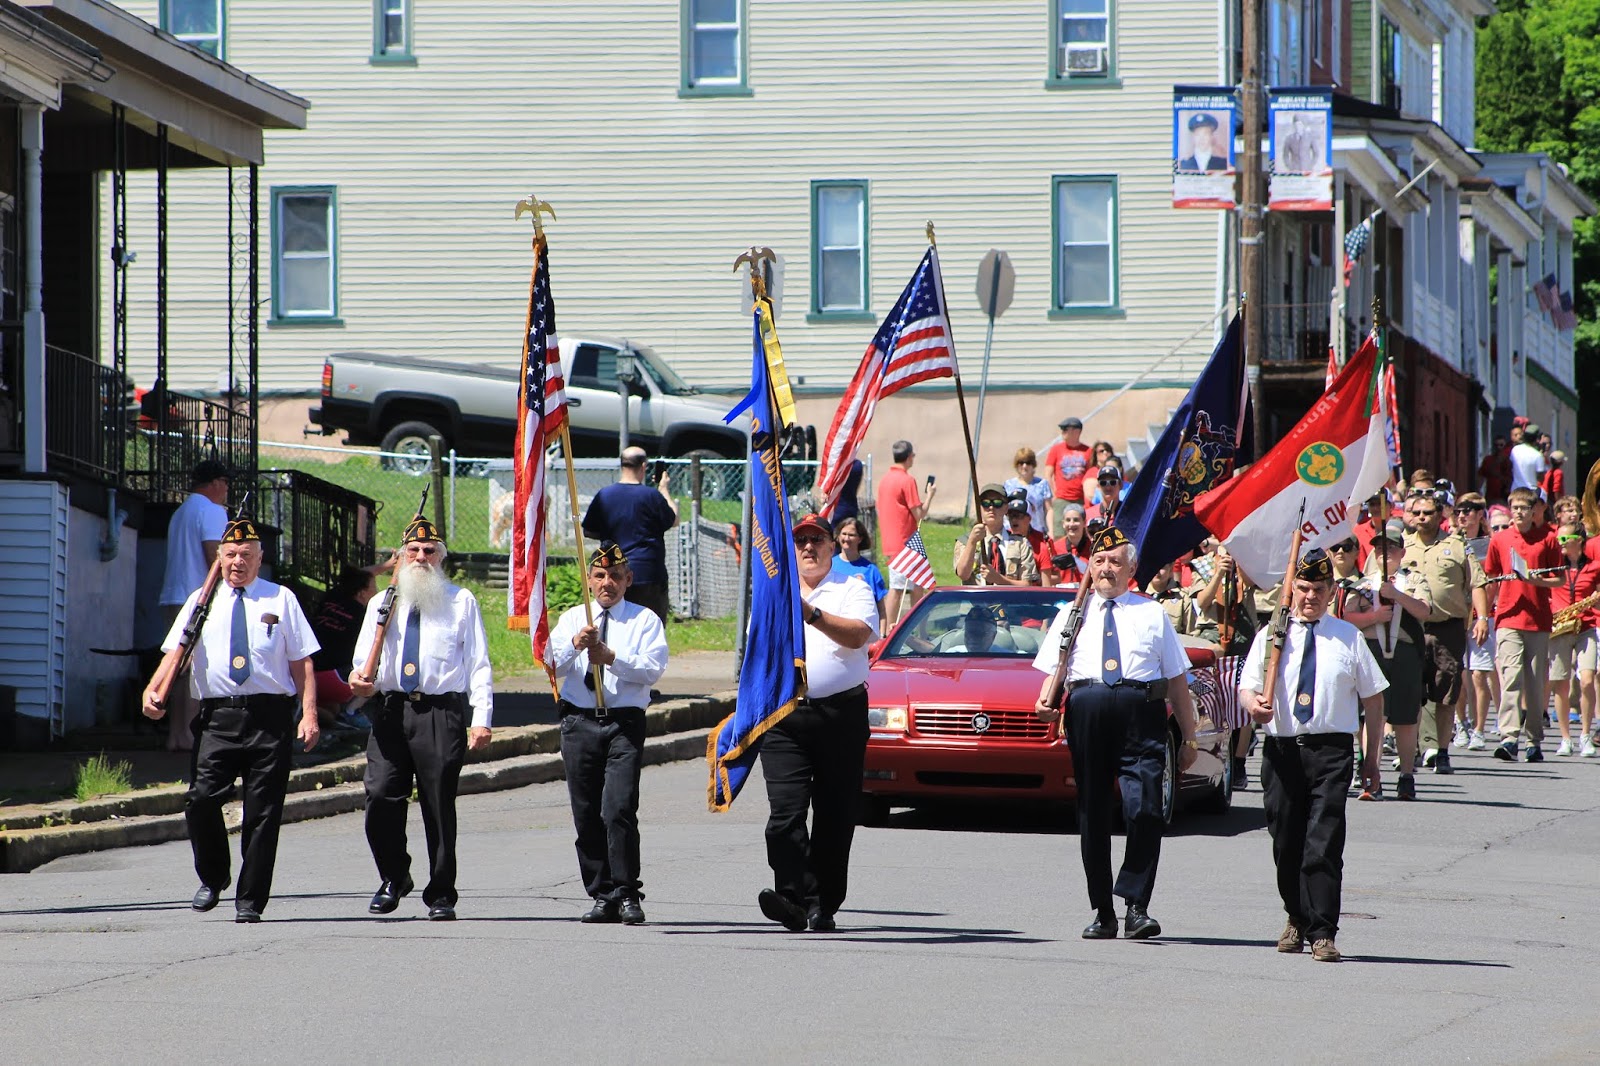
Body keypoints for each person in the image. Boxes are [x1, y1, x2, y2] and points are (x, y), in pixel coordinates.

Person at [141, 516, 320, 923]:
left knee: (263, 812)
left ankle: (251, 899)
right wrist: (153, 690)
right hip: (218, 717)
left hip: (268, 718)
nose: (238, 561)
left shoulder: (280, 599)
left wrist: (309, 714)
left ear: (260, 559)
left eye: (246, 555)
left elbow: (302, 663)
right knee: (201, 799)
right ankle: (214, 876)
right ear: (218, 558)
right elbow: (175, 654)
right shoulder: (201, 602)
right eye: (230, 554)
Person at [1031, 526, 1200, 940]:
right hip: (1087, 712)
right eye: (1100, 561)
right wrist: (1042, 701)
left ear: (1132, 570)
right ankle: (1103, 910)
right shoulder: (1072, 612)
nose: (1106, 569)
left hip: (1141, 714)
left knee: (1145, 808)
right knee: (1092, 813)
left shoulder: (1151, 613)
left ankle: (1136, 903)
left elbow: (1177, 680)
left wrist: (1190, 737)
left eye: (1115, 562)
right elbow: (1056, 669)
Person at [1239, 549, 1387, 962]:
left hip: (1331, 752)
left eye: (1318, 589)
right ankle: (1296, 916)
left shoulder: (1347, 636)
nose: (1309, 597)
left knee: (1322, 843)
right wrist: (1254, 705)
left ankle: (1323, 930)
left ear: (1331, 591)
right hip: (1283, 750)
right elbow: (1247, 686)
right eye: (1301, 588)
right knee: (1287, 842)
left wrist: (1371, 761)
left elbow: (1374, 701)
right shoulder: (1271, 635)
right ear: (1291, 589)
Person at [349, 515, 494, 921]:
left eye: (429, 551)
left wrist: (481, 716)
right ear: (401, 556)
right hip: (392, 709)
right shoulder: (382, 604)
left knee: (438, 802)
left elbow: (478, 663)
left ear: (440, 557)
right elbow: (363, 662)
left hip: (439, 711)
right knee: (379, 796)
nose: (421, 557)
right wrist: (359, 679)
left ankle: (442, 892)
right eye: (413, 551)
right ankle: (394, 877)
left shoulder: (460, 600)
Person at [757, 513, 878, 933]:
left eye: (817, 540)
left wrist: (811, 614)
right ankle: (792, 897)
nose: (808, 547)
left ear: (832, 547)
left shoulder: (853, 587)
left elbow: (860, 636)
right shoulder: (773, 591)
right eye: (801, 541)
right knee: (784, 815)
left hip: (840, 715)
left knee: (834, 814)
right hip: (785, 715)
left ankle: (822, 903)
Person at [546, 543, 669, 925]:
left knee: (617, 808)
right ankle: (602, 893)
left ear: (628, 579)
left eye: (616, 576)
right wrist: (575, 646)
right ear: (589, 580)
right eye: (600, 576)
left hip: (622, 722)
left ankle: (627, 891)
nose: (607, 583)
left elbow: (652, 669)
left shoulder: (644, 620)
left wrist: (612, 658)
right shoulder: (572, 619)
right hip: (579, 721)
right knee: (585, 812)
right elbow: (550, 662)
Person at [1404, 488, 1490, 774]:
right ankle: (1413, 749)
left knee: (1446, 693)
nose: (1421, 517)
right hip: (1410, 628)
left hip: (1448, 628)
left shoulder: (1457, 545)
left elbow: (1477, 583)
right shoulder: (1401, 546)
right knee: (1410, 691)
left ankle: (1441, 751)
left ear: (1441, 515)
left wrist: (1482, 618)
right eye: (1416, 513)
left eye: (1427, 512)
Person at [1351, 521, 1433, 800]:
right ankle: (1370, 775)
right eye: (1380, 550)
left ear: (1401, 552)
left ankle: (1406, 776)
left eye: (1391, 549)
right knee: (1372, 716)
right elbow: (1347, 616)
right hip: (1372, 651)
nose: (1385, 555)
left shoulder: (1414, 579)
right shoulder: (1362, 584)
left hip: (1404, 652)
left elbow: (1424, 610)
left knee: (1406, 718)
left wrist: (1397, 595)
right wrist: (1372, 617)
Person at [1483, 487, 1564, 762]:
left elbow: (1560, 579)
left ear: (1533, 511)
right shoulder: (1500, 539)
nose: (1518, 512)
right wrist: (1482, 616)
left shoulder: (1549, 539)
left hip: (1538, 619)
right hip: (1507, 617)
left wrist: (1533, 580)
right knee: (1510, 676)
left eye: (1524, 508)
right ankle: (1508, 736)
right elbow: (1491, 579)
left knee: (1534, 683)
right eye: (1514, 508)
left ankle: (1534, 740)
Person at [157, 459, 232, 752]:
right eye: (226, 483)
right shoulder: (213, 511)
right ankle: (188, 734)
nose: (227, 490)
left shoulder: (181, 512)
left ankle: (176, 735)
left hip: (172, 596)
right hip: (196, 599)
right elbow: (215, 556)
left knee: (177, 668)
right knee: (196, 668)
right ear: (215, 483)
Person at [581, 446, 679, 625]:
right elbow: (673, 520)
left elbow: (588, 530)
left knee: (615, 625)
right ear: (643, 466)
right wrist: (663, 489)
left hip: (613, 572)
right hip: (647, 572)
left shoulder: (604, 495)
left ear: (621, 465)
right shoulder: (652, 496)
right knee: (650, 627)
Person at [311, 562, 389, 732]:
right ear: (362, 594)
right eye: (373, 588)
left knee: (332, 710)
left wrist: (388, 564)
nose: (376, 592)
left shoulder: (333, 595)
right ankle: (352, 711)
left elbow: (359, 574)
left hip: (305, 677)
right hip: (334, 681)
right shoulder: (364, 616)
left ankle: (308, 709)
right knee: (383, 665)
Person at [1549, 523, 1600, 757]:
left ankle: (1586, 735)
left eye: (1564, 539)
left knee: (1587, 680)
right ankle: (1565, 738)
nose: (1559, 543)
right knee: (1560, 683)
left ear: (1578, 541)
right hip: (1560, 628)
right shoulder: (1553, 569)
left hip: (1586, 627)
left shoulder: (1594, 567)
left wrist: (1594, 600)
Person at [1452, 493, 1499, 750]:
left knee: (1480, 674)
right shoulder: (1451, 542)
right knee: (1458, 675)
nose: (1462, 515)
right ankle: (1462, 724)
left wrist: (1485, 612)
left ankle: (1480, 729)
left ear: (1480, 515)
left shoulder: (1491, 543)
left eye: (1468, 511)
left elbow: (1493, 579)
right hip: (1457, 616)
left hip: (1483, 616)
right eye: (1459, 511)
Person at [876, 440, 933, 625]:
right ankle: (888, 632)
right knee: (897, 588)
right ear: (909, 457)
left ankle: (916, 627)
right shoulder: (907, 480)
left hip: (891, 540)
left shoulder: (885, 479)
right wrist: (930, 495)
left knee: (917, 585)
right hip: (904, 542)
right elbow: (919, 514)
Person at [831, 515, 888, 628]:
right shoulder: (828, 566)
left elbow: (881, 610)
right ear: (838, 536)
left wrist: (882, 634)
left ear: (860, 539)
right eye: (844, 534)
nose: (846, 538)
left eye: (851, 535)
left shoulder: (871, 570)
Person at [1042, 417, 1092, 539]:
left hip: (1080, 500)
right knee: (1059, 534)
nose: (1062, 432)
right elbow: (1048, 473)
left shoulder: (1089, 451)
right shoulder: (1056, 449)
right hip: (1061, 499)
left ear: (1077, 431)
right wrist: (1054, 494)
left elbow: (1091, 475)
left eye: (1065, 429)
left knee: (1081, 533)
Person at [954, 483, 1009, 585]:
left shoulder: (1018, 543)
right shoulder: (965, 541)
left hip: (1008, 600)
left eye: (997, 503)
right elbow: (963, 574)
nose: (991, 507)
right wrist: (972, 542)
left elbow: (1028, 584)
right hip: (974, 600)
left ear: (1006, 508)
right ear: (979, 507)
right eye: (986, 503)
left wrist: (999, 579)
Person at [1000, 491, 1052, 585]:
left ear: (1029, 518)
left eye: (1019, 516)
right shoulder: (1002, 542)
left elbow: (1047, 586)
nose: (1014, 520)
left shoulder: (1041, 546)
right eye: (1011, 516)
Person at [1004, 447, 1053, 536]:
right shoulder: (1008, 485)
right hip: (1012, 532)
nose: (1024, 466)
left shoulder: (1042, 484)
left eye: (1028, 462)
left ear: (1033, 465)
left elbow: (1049, 510)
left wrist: (1051, 531)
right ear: (1016, 465)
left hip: (1036, 531)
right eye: (1021, 463)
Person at [1509, 425, 1547, 495]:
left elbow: (1510, 466)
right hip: (1530, 492)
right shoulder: (1538, 455)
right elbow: (1541, 478)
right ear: (1536, 439)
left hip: (1515, 491)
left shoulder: (1515, 450)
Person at [1478, 436, 1513, 503]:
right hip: (1490, 496)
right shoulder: (1488, 460)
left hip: (1504, 497)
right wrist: (1478, 490)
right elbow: (1481, 476)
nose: (1498, 447)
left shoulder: (1509, 461)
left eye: (1501, 445)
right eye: (1496, 445)